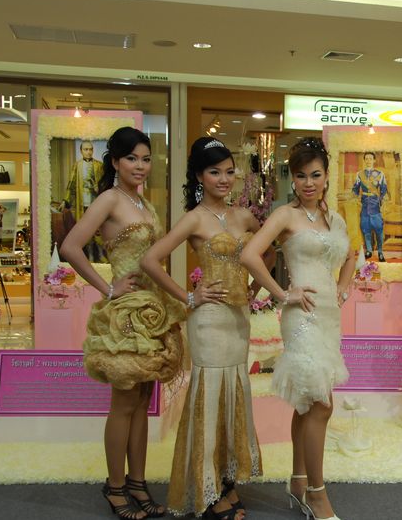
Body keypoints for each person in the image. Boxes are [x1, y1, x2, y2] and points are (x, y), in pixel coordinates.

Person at [60, 127, 185, 520]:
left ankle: (138, 483)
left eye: (145, 159)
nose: (140, 166)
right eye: (132, 158)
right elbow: (70, 247)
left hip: (153, 310)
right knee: (124, 402)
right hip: (126, 313)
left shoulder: (144, 203)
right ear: (115, 162)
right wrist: (108, 288)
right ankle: (115, 488)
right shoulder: (110, 199)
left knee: (144, 401)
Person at [140, 137, 268, 520]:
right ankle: (205, 489)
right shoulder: (194, 218)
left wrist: (255, 288)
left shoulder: (245, 216)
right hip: (209, 320)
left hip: (238, 320)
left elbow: (269, 249)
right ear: (199, 176)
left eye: (229, 171)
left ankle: (226, 480)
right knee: (210, 399)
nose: (224, 179)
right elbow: (150, 260)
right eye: (215, 172)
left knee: (233, 396)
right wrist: (189, 296)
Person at [241, 137, 356, 520]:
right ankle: (317, 495)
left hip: (328, 317)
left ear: (326, 176)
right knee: (321, 402)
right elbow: (250, 254)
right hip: (301, 317)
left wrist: (342, 289)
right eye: (301, 175)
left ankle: (298, 481)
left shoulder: (334, 218)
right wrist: (281, 293)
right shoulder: (285, 216)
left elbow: (350, 255)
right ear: (292, 178)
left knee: (308, 403)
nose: (309, 183)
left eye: (315, 175)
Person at [351, 151, 387, 262]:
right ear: (364, 160)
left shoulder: (380, 174)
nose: (368, 161)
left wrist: (381, 202)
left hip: (375, 206)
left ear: (374, 160)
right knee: (365, 229)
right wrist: (355, 199)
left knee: (379, 229)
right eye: (366, 159)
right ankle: (369, 251)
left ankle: (380, 252)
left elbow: (384, 190)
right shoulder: (359, 174)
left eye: (370, 159)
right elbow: (355, 189)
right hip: (364, 205)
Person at [66, 140, 105, 220]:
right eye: (86, 149)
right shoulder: (77, 165)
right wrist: (65, 200)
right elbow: (71, 184)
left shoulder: (99, 165)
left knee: (94, 221)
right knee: (83, 221)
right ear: (81, 151)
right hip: (81, 199)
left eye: (90, 149)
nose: (89, 152)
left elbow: (105, 184)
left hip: (95, 199)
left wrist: (99, 188)